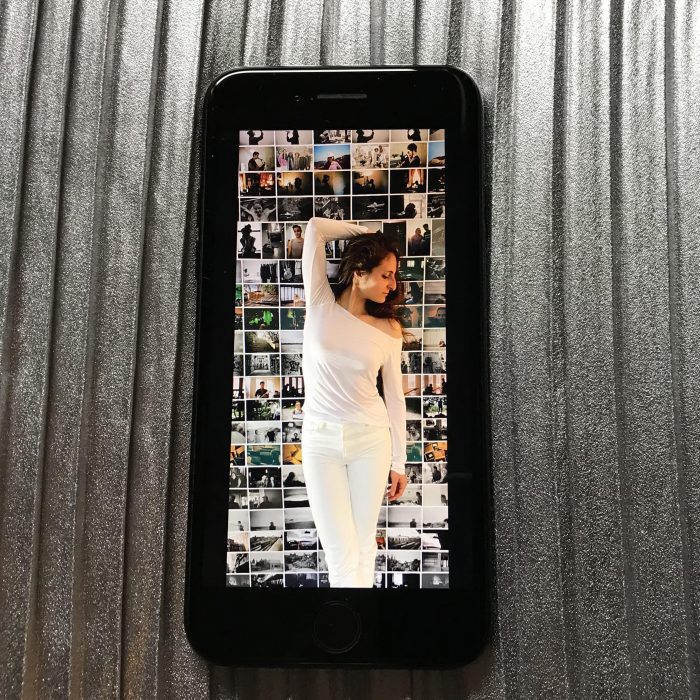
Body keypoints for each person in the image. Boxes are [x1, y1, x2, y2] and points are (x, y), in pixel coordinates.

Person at [301, 217, 408, 588]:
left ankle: (357, 619)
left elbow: (394, 397)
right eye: (386, 275)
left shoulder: (389, 329)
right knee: (339, 552)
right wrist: (370, 235)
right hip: (319, 441)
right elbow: (315, 229)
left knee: (363, 546)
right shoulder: (319, 303)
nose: (392, 285)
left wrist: (399, 462)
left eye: (394, 277)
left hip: (371, 440)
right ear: (360, 272)